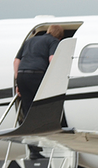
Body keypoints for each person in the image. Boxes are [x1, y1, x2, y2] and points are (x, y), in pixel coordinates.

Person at [13, 25, 64, 156]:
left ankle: (33, 150)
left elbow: (16, 61)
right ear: (59, 37)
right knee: (42, 109)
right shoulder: (53, 41)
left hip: (22, 75)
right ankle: (56, 135)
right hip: (37, 75)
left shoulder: (29, 41)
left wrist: (18, 80)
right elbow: (52, 59)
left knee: (28, 113)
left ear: (48, 31)